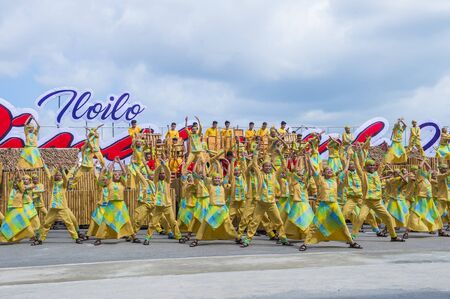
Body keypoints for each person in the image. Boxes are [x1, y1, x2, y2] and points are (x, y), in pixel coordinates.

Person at [298, 158, 362, 251]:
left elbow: (345, 170)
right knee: (315, 225)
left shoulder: (336, 180)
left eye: (331, 170)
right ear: (323, 173)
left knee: (342, 223)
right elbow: (313, 170)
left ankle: (351, 242)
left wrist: (347, 159)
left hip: (334, 205)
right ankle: (305, 243)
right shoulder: (320, 180)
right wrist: (307, 159)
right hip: (323, 205)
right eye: (327, 170)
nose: (330, 171)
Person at [350, 148, 405, 242]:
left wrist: (388, 153)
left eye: (373, 165)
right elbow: (357, 165)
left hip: (377, 202)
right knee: (360, 218)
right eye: (369, 165)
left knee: (388, 217)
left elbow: (383, 163)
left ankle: (394, 236)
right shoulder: (363, 174)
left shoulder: (377, 173)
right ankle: (352, 237)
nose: (372, 167)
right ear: (366, 167)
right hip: (367, 202)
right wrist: (355, 153)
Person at [240, 152, 291, 247]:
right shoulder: (260, 175)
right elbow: (255, 165)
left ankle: (283, 238)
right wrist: (255, 153)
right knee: (254, 222)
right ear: (262, 167)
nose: (268, 168)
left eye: (269, 166)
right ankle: (247, 239)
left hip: (271, 203)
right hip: (261, 203)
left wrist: (281, 155)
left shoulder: (274, 175)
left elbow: (283, 167)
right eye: (266, 166)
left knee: (278, 221)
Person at [94, 157, 140, 245]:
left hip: (120, 204)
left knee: (126, 221)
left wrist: (120, 163)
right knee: (105, 221)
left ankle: (134, 237)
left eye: (119, 175)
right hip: (111, 204)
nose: (117, 175)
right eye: (115, 174)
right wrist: (112, 163)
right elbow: (109, 172)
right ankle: (98, 238)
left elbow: (125, 173)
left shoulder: (122, 184)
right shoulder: (109, 183)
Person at [189, 165, 237, 247]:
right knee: (205, 223)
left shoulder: (223, 185)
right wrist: (203, 165)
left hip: (222, 209)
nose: (217, 179)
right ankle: (196, 240)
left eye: (218, 178)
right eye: (215, 178)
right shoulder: (209, 186)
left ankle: (237, 238)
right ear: (212, 179)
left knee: (228, 224)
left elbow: (228, 174)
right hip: (212, 208)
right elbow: (202, 176)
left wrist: (229, 163)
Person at [34, 165, 83, 245]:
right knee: (46, 223)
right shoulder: (52, 184)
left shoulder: (63, 184)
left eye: (59, 175)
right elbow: (49, 175)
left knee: (69, 223)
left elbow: (66, 179)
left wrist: (62, 170)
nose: (58, 176)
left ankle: (76, 238)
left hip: (62, 206)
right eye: (57, 175)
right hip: (53, 207)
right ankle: (41, 239)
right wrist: (49, 167)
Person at [403, 159, 443, 238]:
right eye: (414, 170)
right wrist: (424, 160)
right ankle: (407, 231)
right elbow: (420, 166)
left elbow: (429, 168)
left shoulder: (426, 177)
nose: (415, 171)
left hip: (429, 198)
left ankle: (439, 230)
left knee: (434, 214)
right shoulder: (418, 176)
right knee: (414, 214)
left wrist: (424, 160)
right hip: (421, 198)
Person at [146, 160, 182, 242]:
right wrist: (159, 166)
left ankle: (179, 237)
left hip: (167, 205)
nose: (162, 175)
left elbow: (168, 173)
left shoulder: (167, 181)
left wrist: (165, 165)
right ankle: (147, 238)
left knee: (173, 222)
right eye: (160, 173)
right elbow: (155, 174)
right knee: (153, 223)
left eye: (163, 173)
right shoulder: (156, 182)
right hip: (158, 206)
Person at [283, 156, 315, 241]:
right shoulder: (294, 181)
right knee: (292, 220)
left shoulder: (305, 183)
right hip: (297, 203)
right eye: (299, 173)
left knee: (308, 219)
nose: (300, 173)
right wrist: (294, 160)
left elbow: (310, 172)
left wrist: (307, 160)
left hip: (305, 203)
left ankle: (308, 235)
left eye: (302, 173)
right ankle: (283, 236)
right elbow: (294, 171)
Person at [0, 171, 36, 243]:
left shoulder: (21, 189)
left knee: (22, 223)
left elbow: (24, 183)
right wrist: (14, 172)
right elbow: (10, 181)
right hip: (12, 208)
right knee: (11, 224)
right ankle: (9, 238)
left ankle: (32, 235)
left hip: (18, 208)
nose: (16, 183)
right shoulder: (12, 187)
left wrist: (19, 173)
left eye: (17, 182)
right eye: (15, 182)